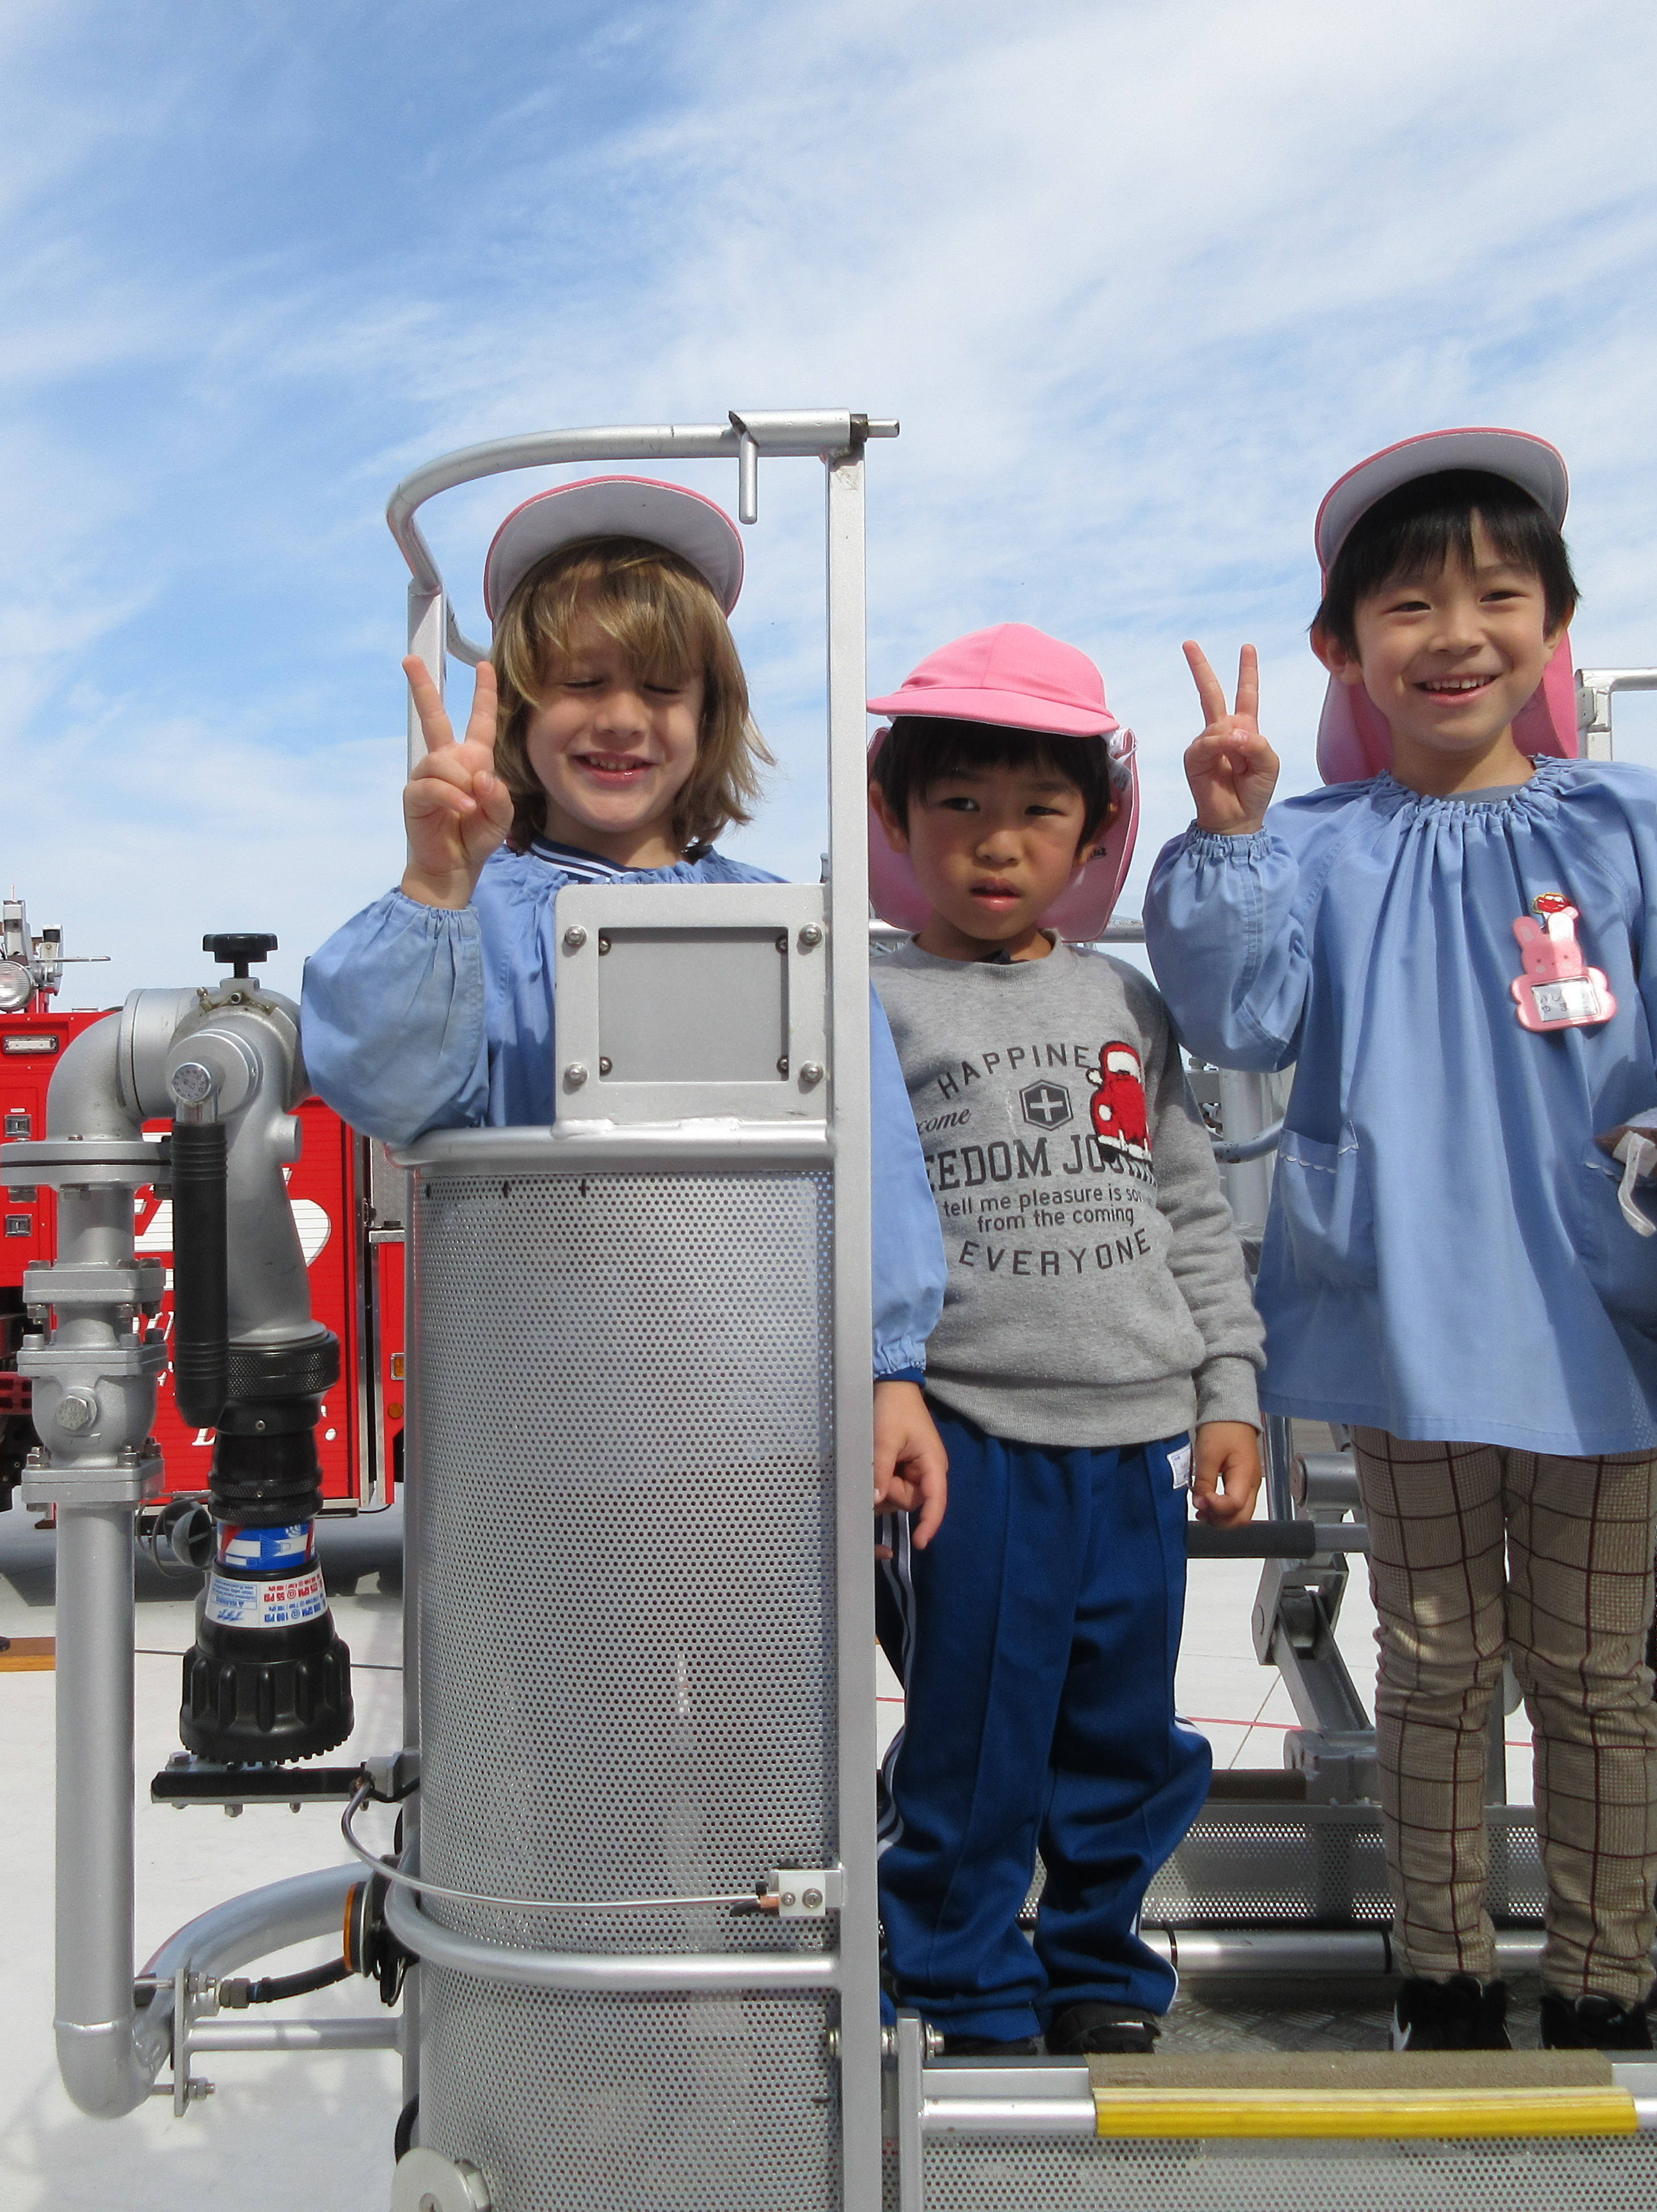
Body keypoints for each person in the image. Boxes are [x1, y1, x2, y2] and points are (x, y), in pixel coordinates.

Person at [1143, 432, 1657, 2053]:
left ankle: (1605, 1986)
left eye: (1499, 597)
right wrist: (1229, 835)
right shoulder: (1314, 845)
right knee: (1435, 1662)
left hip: (1601, 1322)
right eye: (1409, 606)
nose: (1456, 635)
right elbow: (1237, 1019)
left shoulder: (1634, 825)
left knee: (1596, 1673)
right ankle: (1441, 1978)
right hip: (1405, 1325)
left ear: (1554, 627)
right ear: (1343, 648)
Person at [301, 475, 951, 1535]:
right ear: (519, 708)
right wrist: (433, 887)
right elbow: (385, 1088)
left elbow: (870, 1153)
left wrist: (891, 1370)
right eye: (582, 681)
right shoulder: (469, 916)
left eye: (660, 688)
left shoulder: (788, 924)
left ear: (710, 717)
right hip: (537, 1443)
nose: (619, 717)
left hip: (761, 1433)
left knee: (758, 1654)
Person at [863, 623, 1266, 2058]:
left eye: (1040, 810)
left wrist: (1229, 1388)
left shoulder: (1124, 1000)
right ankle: (961, 1978)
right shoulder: (873, 1002)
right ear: (894, 815)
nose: (997, 841)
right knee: (974, 1733)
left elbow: (1191, 1207)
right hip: (970, 1435)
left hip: (1136, 1435)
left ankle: (1097, 1959)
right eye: (959, 803)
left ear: (1095, 833)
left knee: (1122, 1730)